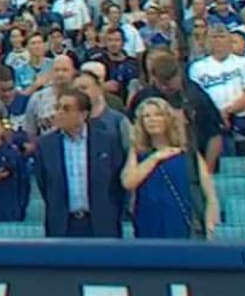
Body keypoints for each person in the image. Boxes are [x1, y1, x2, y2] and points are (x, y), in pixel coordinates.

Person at [32, 90, 125, 238]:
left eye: (66, 109)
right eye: (58, 108)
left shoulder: (107, 142)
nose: (59, 113)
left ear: (83, 114)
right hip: (62, 225)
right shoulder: (45, 145)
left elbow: (117, 184)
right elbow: (45, 184)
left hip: (102, 225)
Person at [123, 99, 219, 239]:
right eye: (146, 116)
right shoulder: (138, 153)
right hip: (148, 221)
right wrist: (155, 158)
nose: (152, 120)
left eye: (158, 114)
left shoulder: (188, 153)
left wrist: (210, 223)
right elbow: (128, 182)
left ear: (168, 118)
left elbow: (210, 194)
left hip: (182, 222)